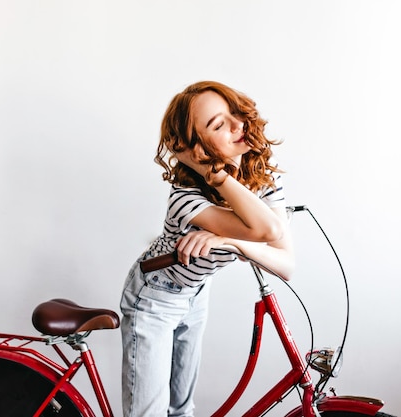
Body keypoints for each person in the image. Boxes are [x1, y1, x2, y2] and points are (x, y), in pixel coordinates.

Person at [120, 81, 295, 417]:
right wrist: (214, 175)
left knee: (182, 409)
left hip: (196, 292)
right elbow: (268, 229)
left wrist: (228, 240)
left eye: (234, 114)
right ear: (194, 148)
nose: (237, 126)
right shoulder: (185, 198)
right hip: (154, 296)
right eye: (218, 125)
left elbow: (284, 263)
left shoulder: (260, 178)